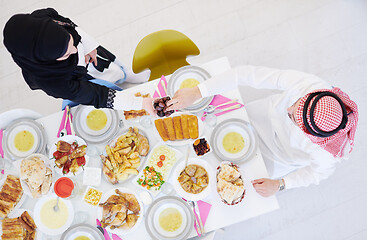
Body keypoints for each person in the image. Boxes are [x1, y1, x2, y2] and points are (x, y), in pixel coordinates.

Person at [167, 65, 359, 197]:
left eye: (292, 117)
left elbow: (316, 174)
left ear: (310, 136)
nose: (288, 110)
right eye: (295, 104)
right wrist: (198, 91)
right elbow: (246, 74)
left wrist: (281, 184)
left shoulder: (326, 153)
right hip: (256, 116)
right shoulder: (311, 85)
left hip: (275, 159)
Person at [3, 8, 150, 110]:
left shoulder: (43, 17)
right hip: (76, 75)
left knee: (110, 66)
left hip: (90, 55)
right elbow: (95, 95)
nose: (74, 50)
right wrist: (137, 103)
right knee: (101, 81)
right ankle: (118, 79)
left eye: (70, 41)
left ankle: (124, 75)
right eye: (66, 54)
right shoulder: (53, 82)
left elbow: (70, 25)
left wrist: (88, 45)